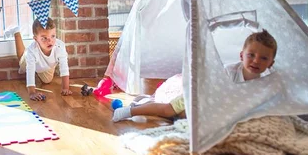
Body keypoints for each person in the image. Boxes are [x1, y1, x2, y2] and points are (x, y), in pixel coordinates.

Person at [112, 29, 278, 123]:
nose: (256, 61)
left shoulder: (266, 82)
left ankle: (145, 101)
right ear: (242, 55)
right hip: (198, 95)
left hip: (214, 108)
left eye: (263, 58)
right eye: (251, 55)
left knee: (179, 117)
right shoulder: (230, 72)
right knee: (167, 110)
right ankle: (130, 111)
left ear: (270, 63)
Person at [5, 18, 71, 101]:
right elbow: (30, 71)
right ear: (36, 39)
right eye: (44, 38)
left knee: (47, 81)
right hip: (30, 61)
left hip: (46, 66)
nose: (50, 41)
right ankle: (16, 32)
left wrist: (65, 88)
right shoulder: (32, 51)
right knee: (22, 59)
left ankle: (39, 72)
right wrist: (32, 92)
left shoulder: (60, 46)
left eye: (53, 36)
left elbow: (64, 68)